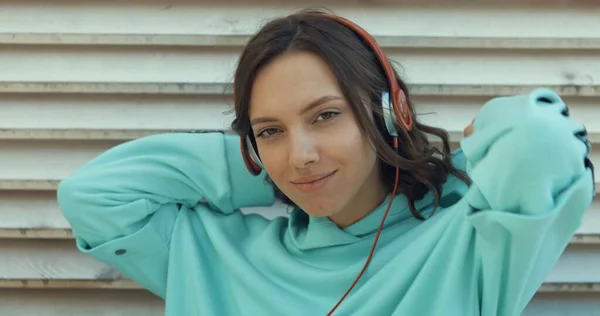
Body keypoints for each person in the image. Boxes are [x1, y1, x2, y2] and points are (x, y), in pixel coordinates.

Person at [57, 9, 595, 316]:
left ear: (392, 110)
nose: (301, 156)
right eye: (271, 131)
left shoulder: (471, 243)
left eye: (324, 116)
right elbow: (94, 196)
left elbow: (541, 141)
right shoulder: (215, 258)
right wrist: (256, 166)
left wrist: (470, 152)